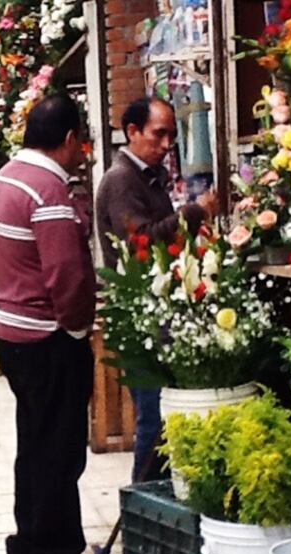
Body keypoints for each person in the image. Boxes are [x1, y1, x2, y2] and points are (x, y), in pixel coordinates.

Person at [0, 94, 110, 554]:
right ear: (66, 140)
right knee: (60, 448)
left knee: (34, 442)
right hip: (46, 336)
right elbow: (67, 273)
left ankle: (28, 542)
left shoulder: (6, 179)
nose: (84, 151)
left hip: (12, 331)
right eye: (81, 141)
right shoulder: (48, 190)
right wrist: (78, 326)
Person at [94, 96, 219, 483]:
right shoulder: (121, 181)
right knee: (151, 416)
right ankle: (143, 506)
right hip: (140, 317)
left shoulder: (146, 176)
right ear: (132, 132)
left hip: (157, 311)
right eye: (158, 134)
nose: (167, 145)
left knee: (162, 415)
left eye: (171, 135)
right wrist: (195, 212)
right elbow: (141, 242)